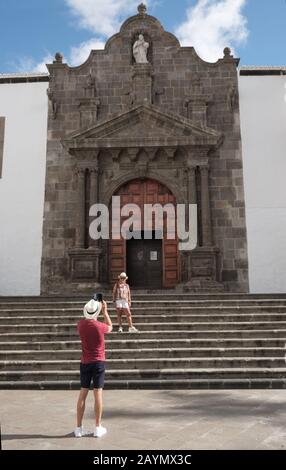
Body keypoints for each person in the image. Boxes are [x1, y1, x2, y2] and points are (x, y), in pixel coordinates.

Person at [74, 298, 112, 438]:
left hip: (85, 362)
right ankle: (97, 426)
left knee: (83, 393)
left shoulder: (80, 325)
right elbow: (110, 327)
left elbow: (85, 322)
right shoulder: (100, 326)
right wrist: (105, 311)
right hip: (98, 362)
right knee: (98, 394)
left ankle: (78, 428)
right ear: (97, 311)